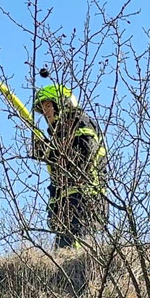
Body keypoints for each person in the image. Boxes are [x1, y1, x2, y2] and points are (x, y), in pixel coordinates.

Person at [32, 84, 107, 249]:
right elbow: (58, 178)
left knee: (76, 255)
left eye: (48, 105)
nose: (45, 112)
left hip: (85, 202)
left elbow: (81, 159)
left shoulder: (80, 124)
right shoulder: (60, 135)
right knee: (63, 256)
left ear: (62, 103)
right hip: (68, 206)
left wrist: (51, 154)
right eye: (42, 108)